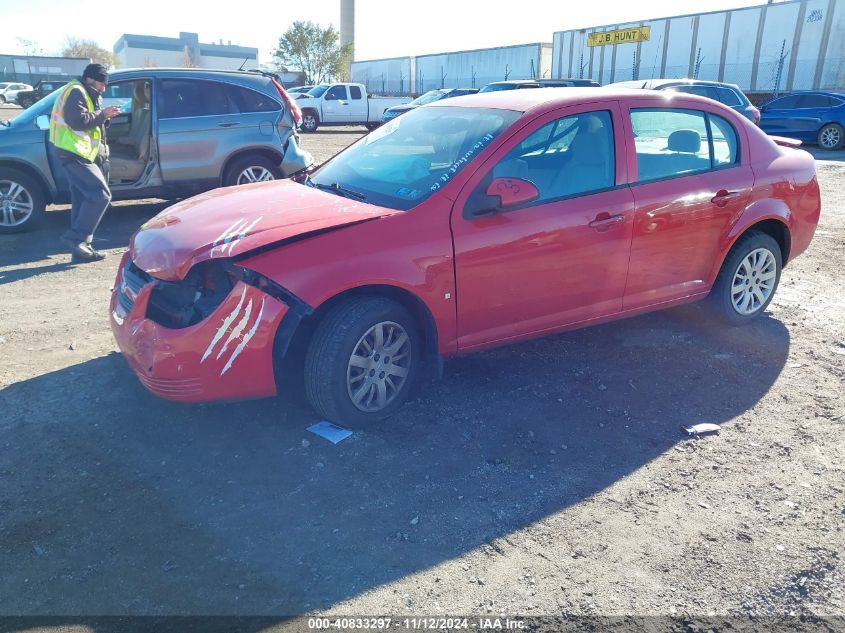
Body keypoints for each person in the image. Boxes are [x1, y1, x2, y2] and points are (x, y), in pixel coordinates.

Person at [49, 63, 122, 262]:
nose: (103, 87)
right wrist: (103, 114)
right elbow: (77, 120)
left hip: (77, 152)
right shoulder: (76, 91)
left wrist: (105, 117)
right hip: (73, 152)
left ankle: (81, 251)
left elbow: (90, 122)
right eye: (101, 83)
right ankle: (76, 238)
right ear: (90, 78)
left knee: (82, 200)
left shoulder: (87, 92)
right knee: (101, 195)